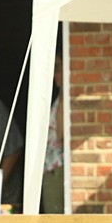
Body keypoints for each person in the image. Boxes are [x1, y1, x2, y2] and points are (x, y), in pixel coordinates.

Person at [42, 53, 66, 213]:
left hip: (57, 167)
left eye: (58, 67)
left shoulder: (65, 99)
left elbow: (61, 135)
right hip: (51, 167)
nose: (54, 74)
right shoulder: (60, 98)